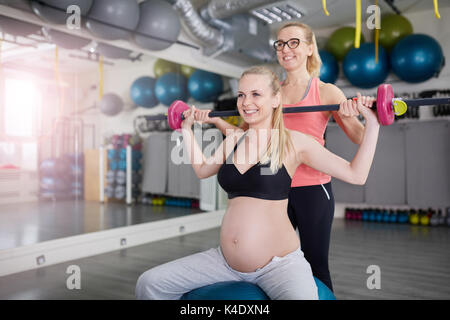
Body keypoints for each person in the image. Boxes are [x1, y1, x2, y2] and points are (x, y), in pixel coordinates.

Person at [135, 66, 378, 300]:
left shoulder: (293, 142)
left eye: (255, 94)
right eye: (241, 95)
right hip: (225, 262)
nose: (246, 102)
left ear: (275, 99)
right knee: (150, 283)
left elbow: (356, 174)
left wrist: (373, 124)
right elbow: (202, 170)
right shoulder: (235, 138)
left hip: (279, 267)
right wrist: (186, 129)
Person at [194, 22, 364, 292]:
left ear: (309, 48)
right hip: (272, 188)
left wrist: (347, 115)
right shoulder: (271, 93)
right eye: (281, 44)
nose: (286, 49)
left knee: (315, 264)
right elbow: (245, 136)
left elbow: (359, 137)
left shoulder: (327, 92)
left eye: (294, 42)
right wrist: (216, 122)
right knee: (270, 263)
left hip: (312, 189)